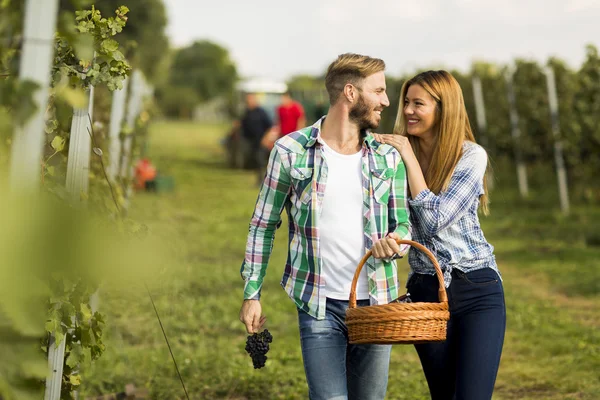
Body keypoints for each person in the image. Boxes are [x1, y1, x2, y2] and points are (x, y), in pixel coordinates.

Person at [239, 53, 412, 400]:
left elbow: (404, 225)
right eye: (378, 90)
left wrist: (396, 242)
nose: (386, 101)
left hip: (376, 304)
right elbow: (263, 224)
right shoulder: (290, 152)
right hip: (318, 304)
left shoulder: (387, 157)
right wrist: (251, 293)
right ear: (350, 92)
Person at [373, 70, 505, 400]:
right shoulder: (393, 158)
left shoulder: (471, 155)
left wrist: (409, 160)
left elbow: (436, 220)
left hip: (478, 289)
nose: (407, 111)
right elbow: (396, 223)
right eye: (406, 102)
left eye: (419, 103)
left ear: (444, 108)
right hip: (426, 291)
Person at [240, 92, 273, 184]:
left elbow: (269, 126)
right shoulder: (247, 112)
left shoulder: (261, 112)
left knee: (260, 160)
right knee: (254, 160)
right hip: (250, 141)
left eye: (250, 99)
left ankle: (264, 181)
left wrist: (266, 139)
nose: (248, 101)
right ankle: (259, 180)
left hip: (261, 140)